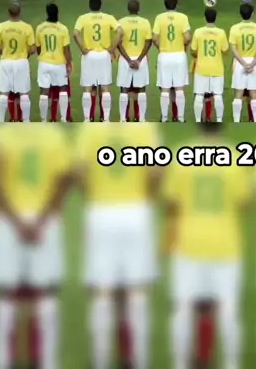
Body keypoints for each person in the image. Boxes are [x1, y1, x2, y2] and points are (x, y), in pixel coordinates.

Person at [162, 125, 250, 369]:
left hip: (188, 242)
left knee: (182, 308)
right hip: (226, 244)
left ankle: (180, 363)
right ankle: (231, 364)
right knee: (229, 309)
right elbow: (243, 202)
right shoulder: (235, 158)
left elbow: (171, 201)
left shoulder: (182, 155)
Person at [0, 124, 72, 369]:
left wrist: (16, 222)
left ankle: (4, 362)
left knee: (6, 295)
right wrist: (42, 220)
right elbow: (64, 180)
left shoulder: (1, 135)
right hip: (45, 222)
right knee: (45, 294)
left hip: (8, 222)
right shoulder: (55, 135)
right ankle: (45, 362)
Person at [76, 123, 159, 369]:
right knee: (137, 292)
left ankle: (100, 361)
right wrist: (146, 197)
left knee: (102, 293)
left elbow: (79, 171)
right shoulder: (144, 128)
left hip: (101, 210)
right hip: (136, 210)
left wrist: (92, 196)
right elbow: (156, 171)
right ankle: (139, 360)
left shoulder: (91, 128)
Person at [73, 0, 119, 122]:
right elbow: (120, 31)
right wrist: (112, 48)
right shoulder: (108, 17)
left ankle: (88, 119)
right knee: (105, 88)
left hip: (89, 55)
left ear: (90, 6)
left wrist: (83, 49)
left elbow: (75, 33)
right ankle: (106, 119)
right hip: (104, 54)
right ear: (100, 5)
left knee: (88, 88)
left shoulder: (83, 18)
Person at [0, 2, 35, 122]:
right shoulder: (27, 27)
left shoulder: (1, 26)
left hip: (5, 62)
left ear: (8, 13)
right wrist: (25, 55)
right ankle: (26, 121)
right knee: (24, 93)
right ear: (20, 12)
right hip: (21, 62)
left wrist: (4, 52)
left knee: (4, 93)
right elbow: (32, 49)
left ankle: (0, 121)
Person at [153, 0, 191, 123]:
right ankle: (180, 118)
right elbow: (187, 38)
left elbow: (155, 39)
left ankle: (164, 118)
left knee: (165, 88)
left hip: (164, 55)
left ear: (165, 5)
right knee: (179, 88)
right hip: (179, 55)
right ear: (176, 5)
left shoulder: (159, 18)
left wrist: (162, 46)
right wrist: (182, 44)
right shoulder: (183, 17)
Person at [116, 0, 153, 123]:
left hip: (125, 59)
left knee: (124, 88)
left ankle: (123, 118)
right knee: (141, 88)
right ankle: (141, 118)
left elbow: (118, 43)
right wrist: (139, 59)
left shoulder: (120, 22)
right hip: (140, 59)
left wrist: (128, 60)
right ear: (139, 9)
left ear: (128, 9)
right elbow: (148, 42)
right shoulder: (145, 22)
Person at [35, 2, 72, 123]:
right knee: (63, 89)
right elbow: (66, 49)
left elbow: (38, 48)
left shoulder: (40, 28)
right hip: (59, 63)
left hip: (44, 62)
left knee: (44, 91)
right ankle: (63, 118)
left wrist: (42, 56)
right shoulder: (63, 28)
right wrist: (69, 63)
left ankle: (44, 120)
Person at [190, 7, 229, 122]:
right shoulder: (221, 33)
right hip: (217, 68)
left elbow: (193, 51)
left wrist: (200, 53)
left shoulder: (198, 32)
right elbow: (225, 51)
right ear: (216, 18)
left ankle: (198, 120)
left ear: (205, 18)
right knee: (218, 95)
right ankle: (219, 120)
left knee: (199, 95)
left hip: (201, 68)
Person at [229, 3, 256, 123]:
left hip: (240, 62)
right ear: (252, 14)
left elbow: (234, 49)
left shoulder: (234, 28)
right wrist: (253, 64)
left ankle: (236, 121)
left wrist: (244, 64)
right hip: (254, 62)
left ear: (240, 14)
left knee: (238, 93)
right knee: (254, 94)